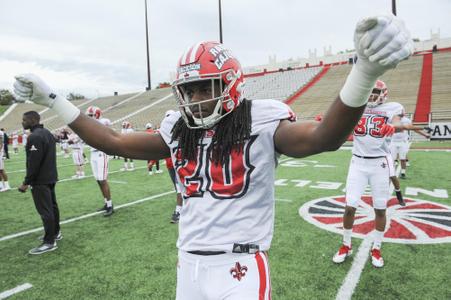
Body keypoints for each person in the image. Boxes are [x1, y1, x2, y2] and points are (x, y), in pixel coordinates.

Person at [13, 15, 413, 298]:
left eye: (205, 87)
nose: (196, 99)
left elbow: (325, 137)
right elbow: (114, 141)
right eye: (188, 91)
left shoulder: (259, 120)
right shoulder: (177, 127)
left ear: (230, 84)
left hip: (239, 266)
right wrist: (53, 98)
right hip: (188, 263)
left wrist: (363, 73)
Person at [332, 80, 415, 268]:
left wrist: (393, 127)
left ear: (384, 93)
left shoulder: (392, 108)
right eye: (369, 92)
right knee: (350, 206)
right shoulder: (357, 107)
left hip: (379, 164)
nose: (370, 95)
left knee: (379, 208)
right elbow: (342, 125)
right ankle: (346, 245)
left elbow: (398, 122)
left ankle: (376, 248)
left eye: (375, 92)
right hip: (358, 163)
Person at [17, 111, 61, 255]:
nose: (22, 122)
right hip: (50, 177)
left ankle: (49, 242)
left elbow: (34, 162)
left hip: (41, 180)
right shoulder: (47, 133)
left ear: (32, 120)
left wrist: (26, 182)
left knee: (46, 210)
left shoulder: (35, 136)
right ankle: (55, 233)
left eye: (24, 120)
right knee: (52, 207)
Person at [85, 106, 114, 216]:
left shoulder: (102, 122)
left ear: (96, 114)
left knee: (102, 180)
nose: (88, 117)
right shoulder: (91, 124)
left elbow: (106, 126)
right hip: (93, 153)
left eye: (90, 115)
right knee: (98, 180)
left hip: (102, 153)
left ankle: (110, 205)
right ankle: (106, 203)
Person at [390, 114, 430, 178]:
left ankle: (403, 173)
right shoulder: (392, 118)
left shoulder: (406, 120)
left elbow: (413, 129)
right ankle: (390, 173)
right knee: (392, 159)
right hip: (393, 141)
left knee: (403, 158)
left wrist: (424, 134)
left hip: (403, 141)